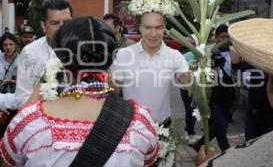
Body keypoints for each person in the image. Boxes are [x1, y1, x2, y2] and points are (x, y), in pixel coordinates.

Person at [0, 16, 159, 166]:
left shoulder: (30, 122)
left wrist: (40, 88)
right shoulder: (139, 121)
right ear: (109, 58)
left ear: (61, 61)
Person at [196, 11, 273, 167]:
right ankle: (221, 148)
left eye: (270, 75)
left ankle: (202, 145)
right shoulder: (211, 54)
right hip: (219, 98)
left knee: (220, 126)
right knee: (220, 126)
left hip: (231, 98)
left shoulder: (265, 152)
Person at [110, 0, 191, 125]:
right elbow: (113, 94)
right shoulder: (124, 55)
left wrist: (198, 72)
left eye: (158, 28)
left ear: (164, 28)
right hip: (130, 128)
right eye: (147, 27)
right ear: (140, 28)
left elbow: (188, 85)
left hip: (162, 129)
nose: (153, 34)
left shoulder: (175, 56)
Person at [15, 0, 73, 108]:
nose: (62, 27)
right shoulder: (29, 53)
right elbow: (22, 99)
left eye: (67, 22)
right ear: (43, 25)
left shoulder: (84, 49)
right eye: (55, 23)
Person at [191, 24, 235, 152]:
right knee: (220, 126)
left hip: (229, 95)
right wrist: (211, 62)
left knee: (219, 127)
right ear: (216, 38)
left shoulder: (234, 53)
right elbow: (197, 68)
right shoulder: (208, 52)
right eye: (222, 37)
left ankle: (198, 145)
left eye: (228, 37)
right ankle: (228, 153)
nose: (225, 40)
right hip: (214, 95)